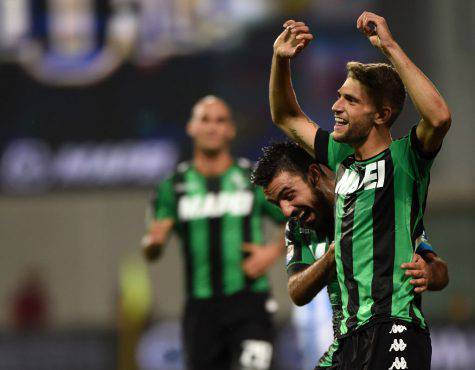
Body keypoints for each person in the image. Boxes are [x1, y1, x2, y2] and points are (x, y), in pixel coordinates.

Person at [269, 11, 451, 369]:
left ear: (381, 115)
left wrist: (390, 46)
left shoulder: (406, 158)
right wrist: (280, 60)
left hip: (394, 325)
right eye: (339, 96)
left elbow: (439, 117)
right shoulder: (340, 159)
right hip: (351, 337)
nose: (336, 106)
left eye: (351, 100)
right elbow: (287, 117)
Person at [252, 141, 449, 369]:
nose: (287, 210)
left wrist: (429, 272)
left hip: (391, 327)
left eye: (289, 195)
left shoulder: (370, 203)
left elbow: (440, 271)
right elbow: (296, 291)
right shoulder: (298, 230)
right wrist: (333, 255)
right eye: (277, 203)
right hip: (345, 343)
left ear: (314, 175)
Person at [141, 95, 286, 370]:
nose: (212, 127)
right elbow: (152, 246)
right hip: (201, 309)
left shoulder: (252, 179)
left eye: (220, 121)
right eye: (205, 120)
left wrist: (273, 251)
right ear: (191, 127)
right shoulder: (173, 187)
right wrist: (154, 243)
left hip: (249, 303)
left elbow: (295, 219)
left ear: (231, 129)